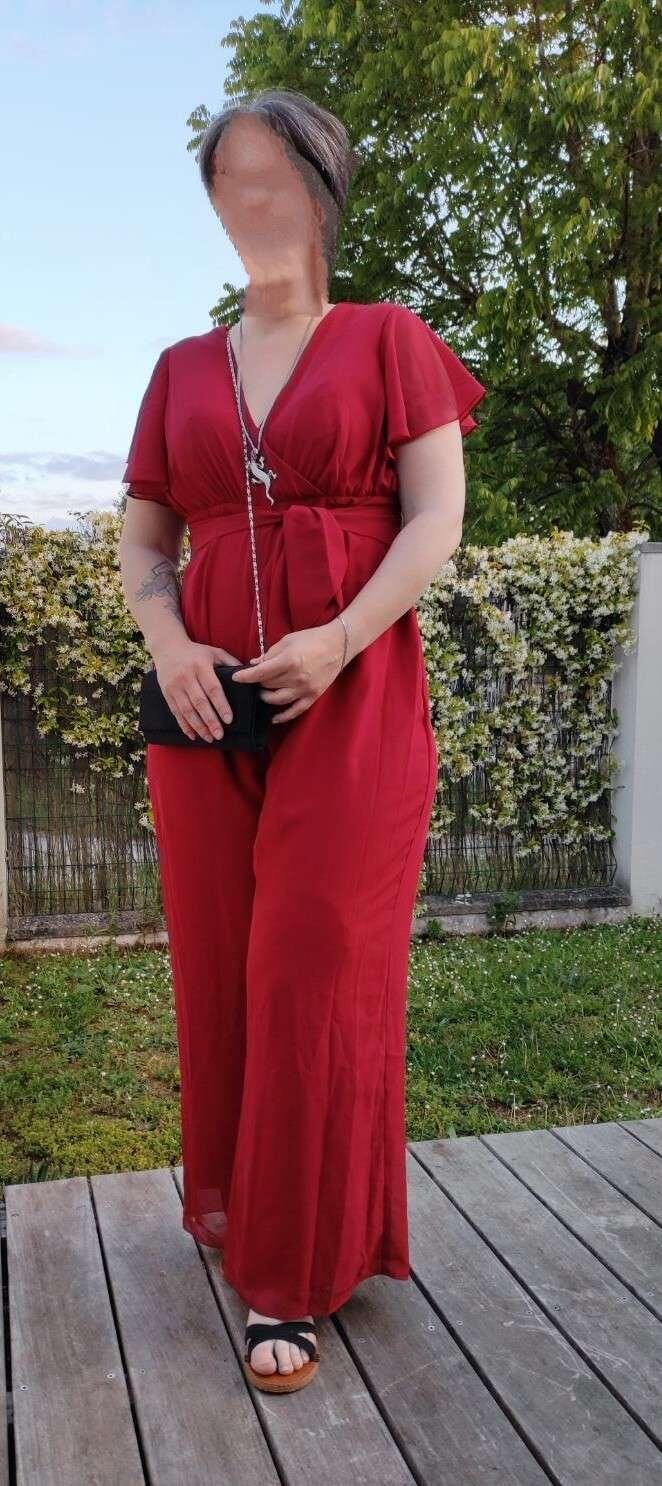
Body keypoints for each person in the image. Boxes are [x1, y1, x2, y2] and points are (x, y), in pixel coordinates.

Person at [118, 87, 486, 1395]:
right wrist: (170, 644)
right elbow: (145, 534)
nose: (251, 200)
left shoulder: (389, 338)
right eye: (230, 181)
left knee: (315, 968)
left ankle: (295, 1270)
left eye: (274, 174)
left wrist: (338, 638)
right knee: (223, 966)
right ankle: (246, 1213)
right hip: (205, 705)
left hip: (356, 691)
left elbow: (434, 518)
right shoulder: (179, 367)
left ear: (325, 189)